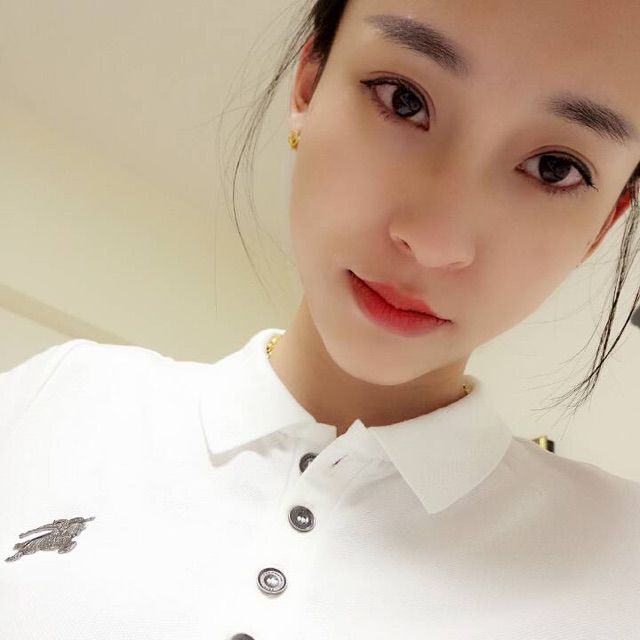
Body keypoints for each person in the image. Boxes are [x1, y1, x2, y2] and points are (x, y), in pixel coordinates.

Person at [2, 1, 640, 638]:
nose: (434, 241)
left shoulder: (622, 566)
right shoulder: (57, 400)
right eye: (404, 100)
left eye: (555, 168)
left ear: (603, 224)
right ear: (308, 82)